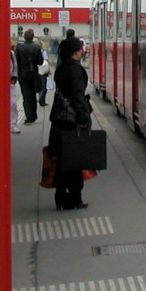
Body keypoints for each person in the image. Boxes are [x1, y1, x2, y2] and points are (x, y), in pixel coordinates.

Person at [48, 35, 92, 211]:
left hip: (59, 118)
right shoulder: (75, 69)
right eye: (81, 48)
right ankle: (74, 198)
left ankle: (60, 197)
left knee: (60, 159)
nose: (83, 51)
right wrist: (84, 117)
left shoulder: (61, 67)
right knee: (75, 160)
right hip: (71, 120)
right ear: (77, 50)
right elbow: (77, 96)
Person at [0, 42, 21, 134]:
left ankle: (13, 124)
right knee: (1, 104)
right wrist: (2, 60)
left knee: (13, 104)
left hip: (10, 81)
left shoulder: (12, 54)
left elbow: (15, 66)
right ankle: (3, 125)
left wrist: (15, 76)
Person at [15, 29, 43, 125]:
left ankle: (29, 117)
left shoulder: (19, 48)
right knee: (33, 95)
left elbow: (16, 61)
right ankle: (34, 115)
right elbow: (40, 62)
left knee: (26, 96)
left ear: (24, 37)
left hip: (22, 74)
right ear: (33, 37)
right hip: (33, 74)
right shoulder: (36, 47)